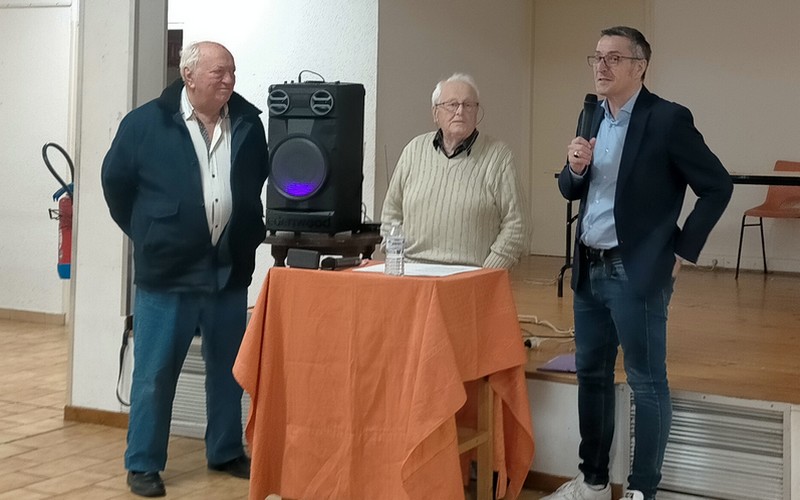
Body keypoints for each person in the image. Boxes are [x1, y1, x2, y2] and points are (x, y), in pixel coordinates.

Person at [546, 27, 733, 500]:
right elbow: (570, 189)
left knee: (646, 383)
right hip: (589, 268)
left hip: (636, 272)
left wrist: (682, 251)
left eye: (614, 58)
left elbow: (717, 186)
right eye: (597, 57)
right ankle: (592, 483)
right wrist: (575, 168)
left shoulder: (667, 119)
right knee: (592, 377)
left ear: (640, 66)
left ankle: (641, 491)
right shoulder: (591, 115)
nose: (601, 66)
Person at [101, 41, 268, 497]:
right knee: (154, 373)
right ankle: (143, 463)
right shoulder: (145, 124)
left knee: (229, 370)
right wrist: (149, 232)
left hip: (228, 270)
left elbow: (255, 181)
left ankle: (225, 450)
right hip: (167, 274)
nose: (229, 81)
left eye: (232, 72)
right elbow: (115, 184)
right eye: (219, 73)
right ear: (188, 75)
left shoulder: (249, 122)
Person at [380, 73, 529, 269]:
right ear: (435, 113)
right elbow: (391, 213)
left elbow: (517, 225)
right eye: (452, 104)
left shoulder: (499, 157)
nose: (460, 111)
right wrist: (395, 260)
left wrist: (487, 274)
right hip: (411, 270)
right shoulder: (414, 150)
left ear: (477, 112)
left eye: (468, 105)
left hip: (471, 274)